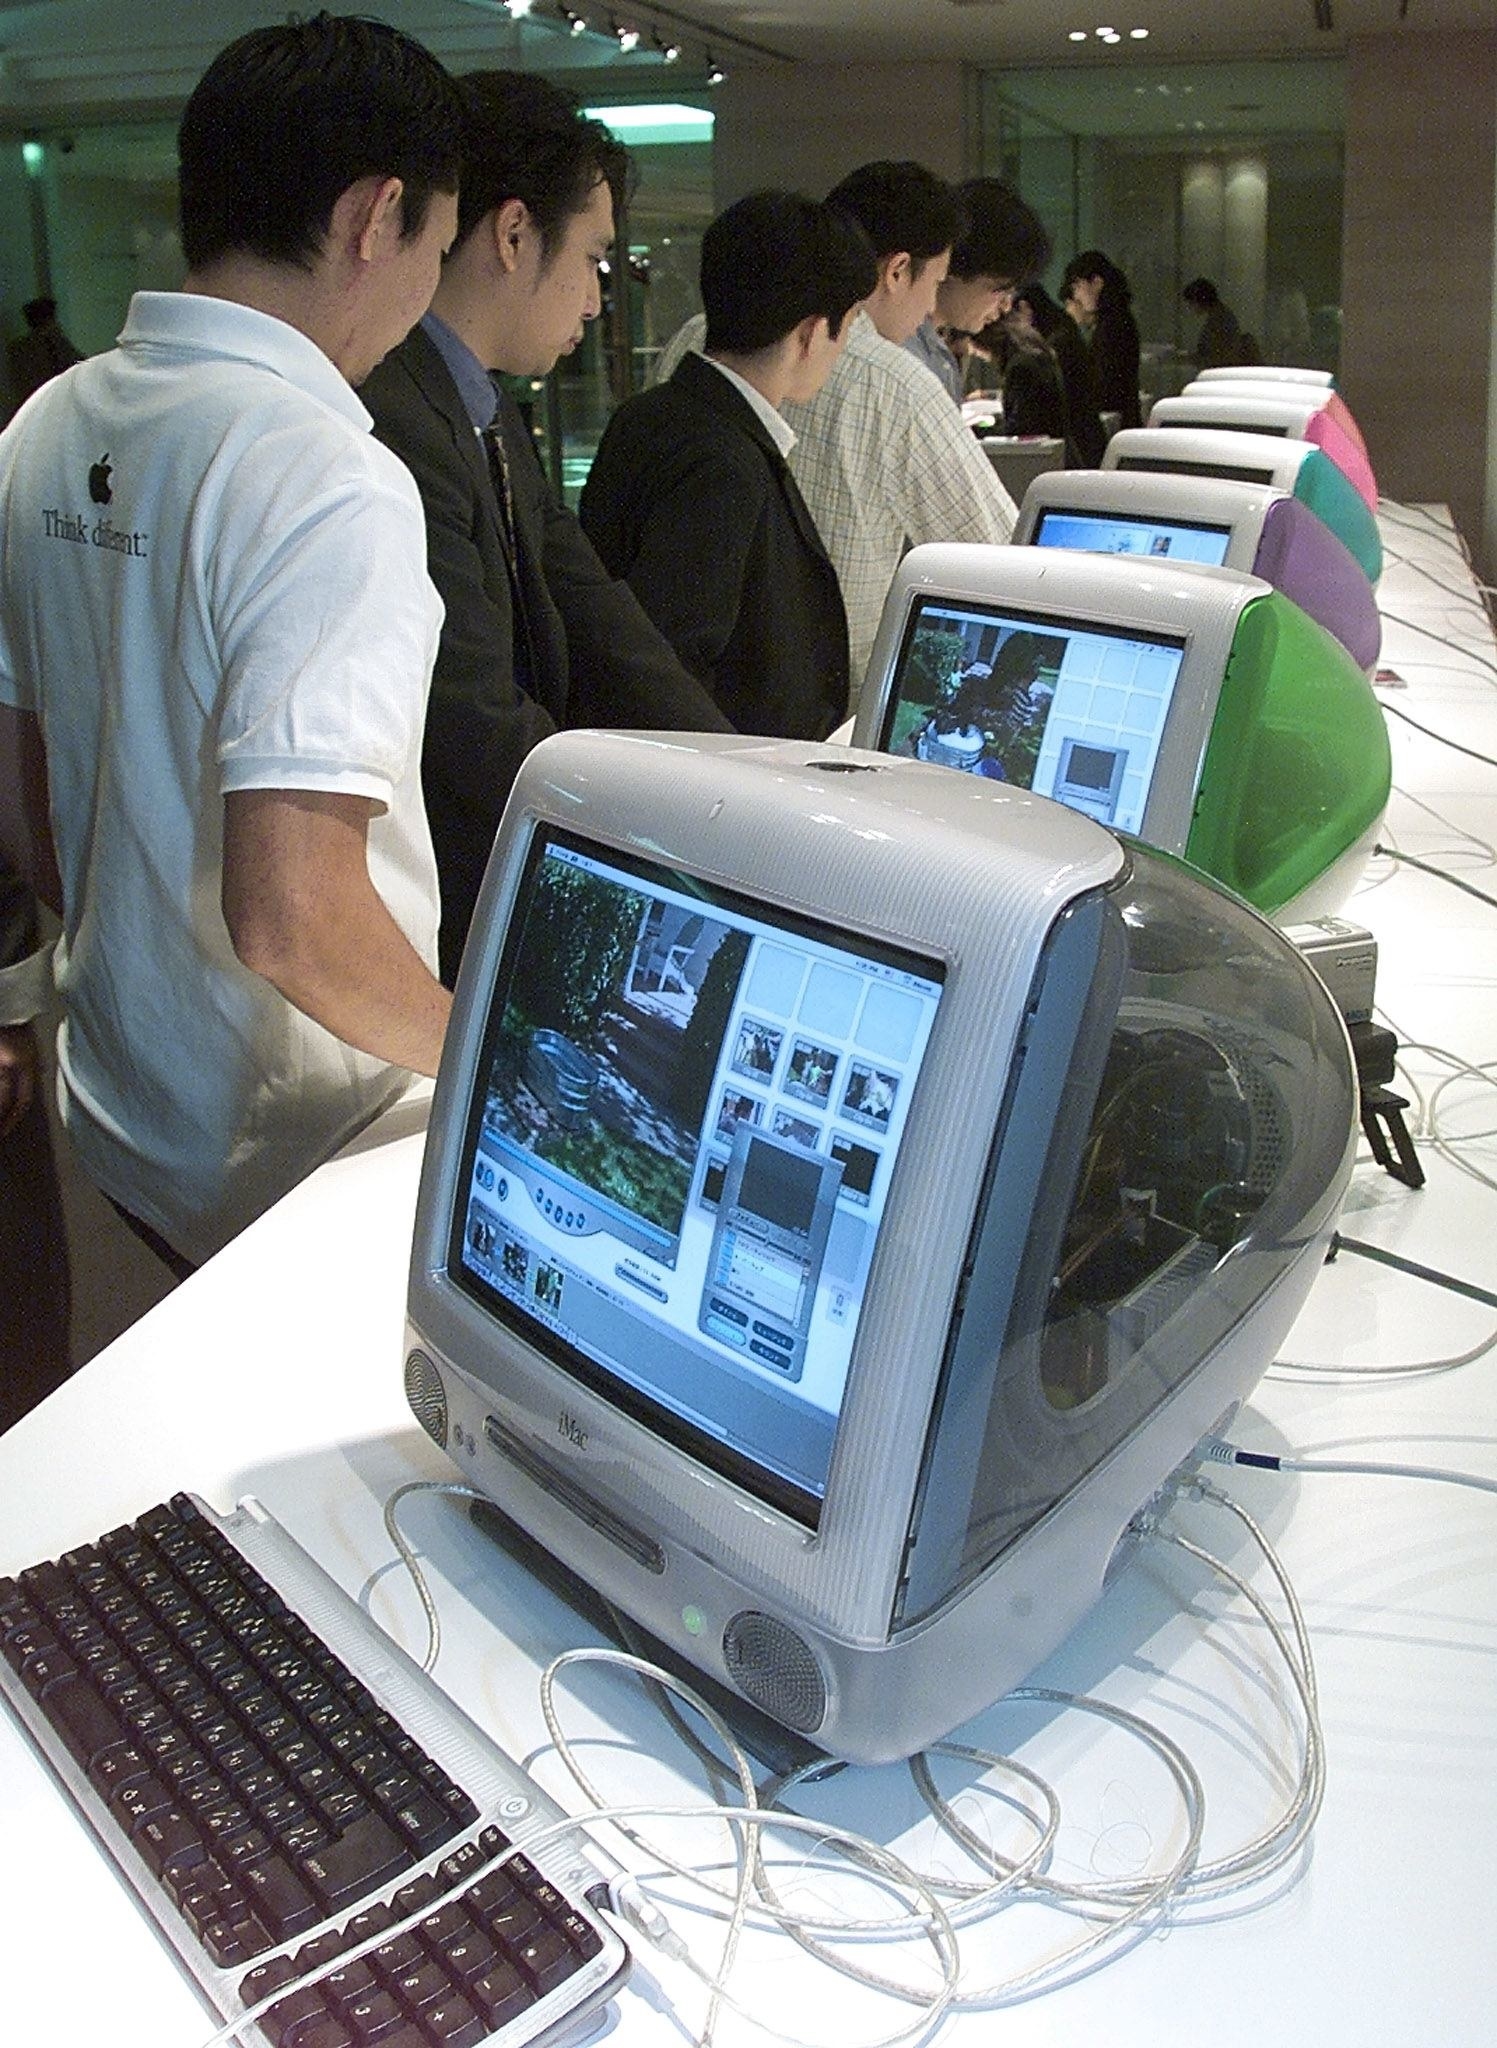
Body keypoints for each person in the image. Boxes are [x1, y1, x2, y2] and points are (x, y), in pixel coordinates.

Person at [0, 16, 465, 1270]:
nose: (427, 293)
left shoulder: (45, 423)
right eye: (437, 241)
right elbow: (295, 920)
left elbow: (21, 792)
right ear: (377, 217)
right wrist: (497, 1059)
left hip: (114, 1100)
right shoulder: (326, 477)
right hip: (295, 1142)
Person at [359, 70, 732, 987]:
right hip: (437, 902)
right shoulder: (394, 416)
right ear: (515, 233)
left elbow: (588, 599)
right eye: (594, 260)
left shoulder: (476, 406)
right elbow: (467, 719)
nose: (598, 301)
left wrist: (736, 775)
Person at [657, 161, 1022, 702]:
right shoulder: (897, 385)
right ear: (897, 271)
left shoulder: (694, 337)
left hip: (697, 699)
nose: (930, 309)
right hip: (831, 713)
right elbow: (999, 554)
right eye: (935, 284)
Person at [579, 192, 875, 739]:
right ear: (812, 332)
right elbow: (668, 675)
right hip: (721, 791)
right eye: (848, 326)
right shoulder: (723, 462)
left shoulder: (649, 415)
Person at [904, 177, 1051, 406]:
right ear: (954, 268)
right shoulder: (907, 350)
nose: (1005, 306)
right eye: (999, 289)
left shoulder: (936, 350)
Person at [1012, 281, 1106, 466]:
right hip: (1084, 437)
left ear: (1024, 308)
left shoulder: (1055, 343)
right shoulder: (1063, 328)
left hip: (1075, 444)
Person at [1062, 249, 1142, 430]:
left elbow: (1107, 385)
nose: (1076, 296)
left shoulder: (1113, 325)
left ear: (1096, 282)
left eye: (1078, 286)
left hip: (1117, 423)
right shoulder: (1117, 319)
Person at [5, 296, 84, 414]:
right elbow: (80, 367)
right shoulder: (55, 343)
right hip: (57, 406)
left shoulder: (16, 348)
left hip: (29, 409)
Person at [1183, 275, 1246, 370]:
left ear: (1199, 300)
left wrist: (1187, 359)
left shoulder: (1219, 320)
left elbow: (1215, 356)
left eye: (1191, 303)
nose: (1190, 308)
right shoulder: (1219, 316)